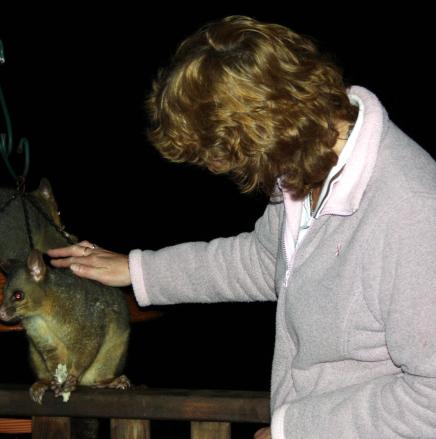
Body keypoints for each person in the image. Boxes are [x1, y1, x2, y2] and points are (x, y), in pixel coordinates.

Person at [48, 15, 436, 439]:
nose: (221, 171)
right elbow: (264, 260)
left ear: (264, 134)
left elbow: (430, 401)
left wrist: (296, 430)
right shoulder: (305, 166)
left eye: (223, 159)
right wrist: (137, 270)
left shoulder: (410, 212)